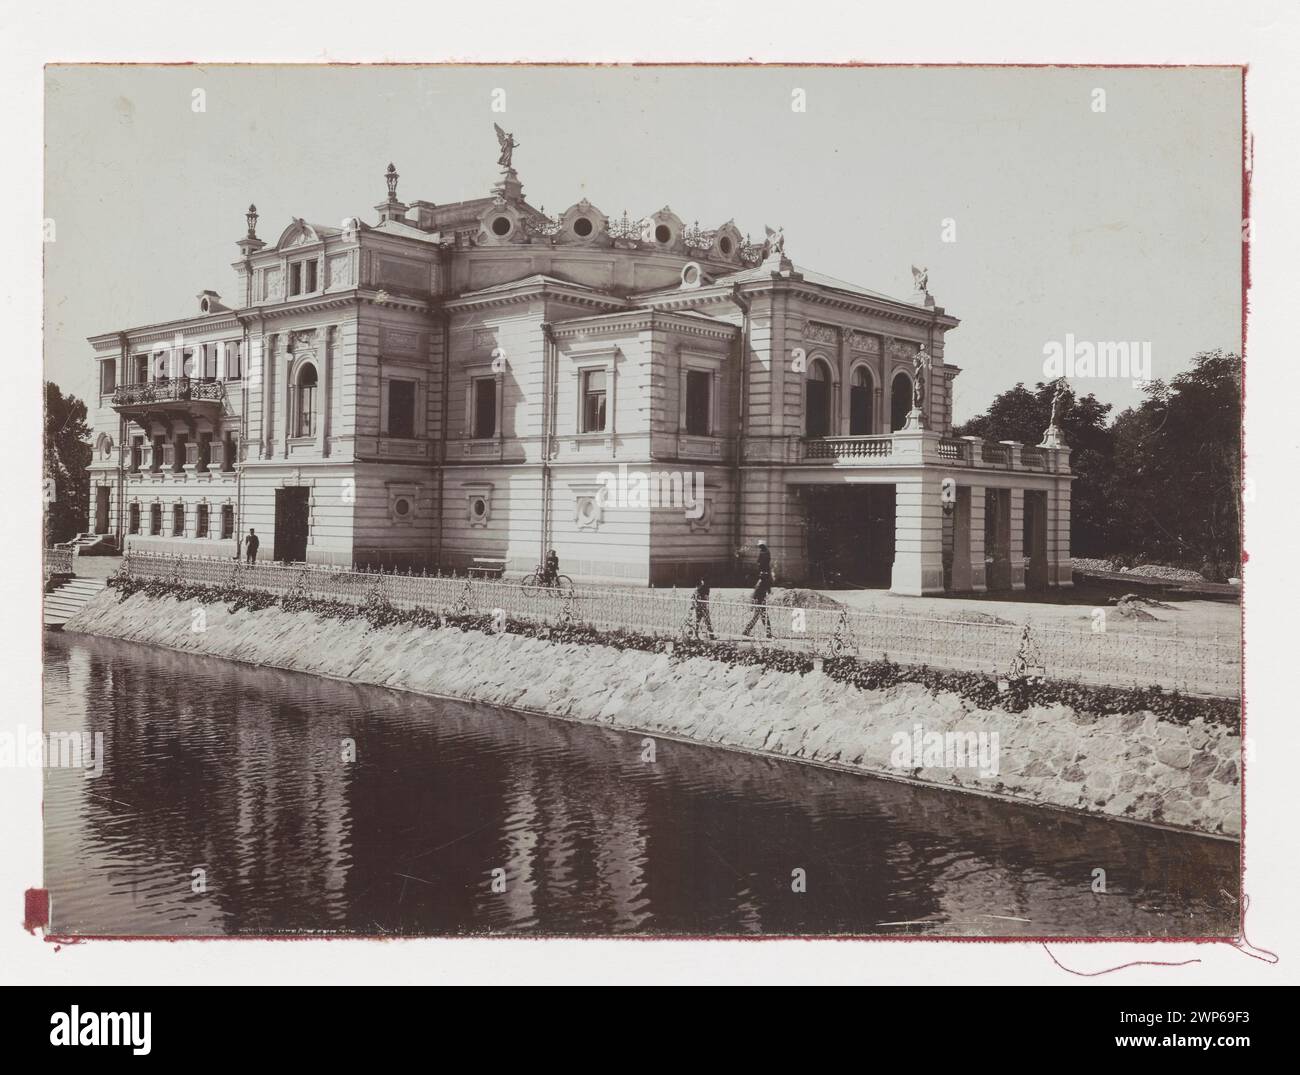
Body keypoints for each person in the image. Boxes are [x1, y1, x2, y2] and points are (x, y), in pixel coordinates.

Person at [742, 541, 774, 639]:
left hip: (760, 599)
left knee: (760, 615)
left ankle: (747, 631)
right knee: (762, 615)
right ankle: (767, 633)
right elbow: (760, 590)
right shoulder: (763, 578)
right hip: (760, 600)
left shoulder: (763, 577)